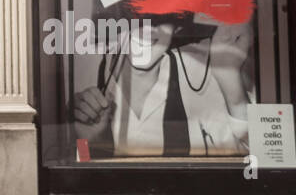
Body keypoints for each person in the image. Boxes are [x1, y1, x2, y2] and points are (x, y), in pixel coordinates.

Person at [72, 13, 252, 158]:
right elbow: (80, 169)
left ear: (177, 27)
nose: (146, 29)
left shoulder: (200, 74)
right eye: (135, 15)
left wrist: (230, 80)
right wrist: (86, 143)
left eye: (160, 17)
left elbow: (254, 154)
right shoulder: (83, 74)